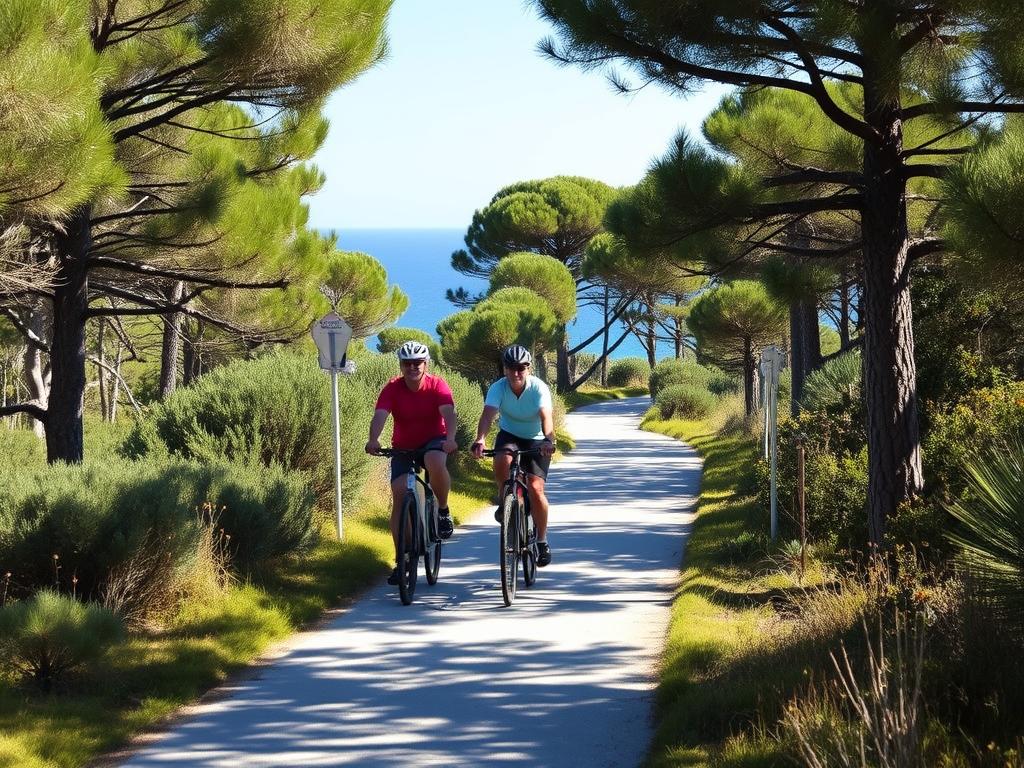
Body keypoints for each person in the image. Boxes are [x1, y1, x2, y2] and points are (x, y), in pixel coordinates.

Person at [366, 340, 458, 585]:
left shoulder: (437, 384)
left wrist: (450, 439)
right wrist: (373, 439)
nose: (412, 367)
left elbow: (449, 413)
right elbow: (380, 415)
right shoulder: (392, 388)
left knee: (435, 460)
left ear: (425, 364)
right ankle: (402, 558)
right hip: (403, 447)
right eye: (407, 363)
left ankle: (443, 510)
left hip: (433, 440)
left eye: (417, 363)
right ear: (401, 365)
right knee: (399, 493)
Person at [470, 344, 556, 567]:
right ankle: (505, 497)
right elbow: (488, 415)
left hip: (537, 438)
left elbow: (546, 416)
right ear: (505, 369)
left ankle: (541, 540)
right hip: (509, 435)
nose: (516, 373)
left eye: (521, 368)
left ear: (528, 368)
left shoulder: (539, 388)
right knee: (501, 460)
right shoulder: (498, 388)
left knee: (536, 488)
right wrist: (480, 439)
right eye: (511, 368)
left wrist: (549, 439)